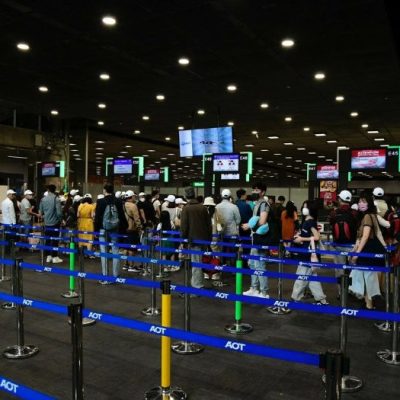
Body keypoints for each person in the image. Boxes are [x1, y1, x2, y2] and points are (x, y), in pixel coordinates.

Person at [349, 192, 386, 309]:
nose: (361, 204)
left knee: (368, 281)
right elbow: (379, 233)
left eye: (364, 201)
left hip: (368, 251)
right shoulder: (372, 215)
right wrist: (385, 248)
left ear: (369, 203)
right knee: (369, 280)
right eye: (359, 201)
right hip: (374, 250)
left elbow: (364, 237)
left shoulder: (366, 216)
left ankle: (373, 306)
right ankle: (369, 304)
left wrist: (356, 254)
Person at [291, 201, 329, 305]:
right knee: (312, 279)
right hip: (305, 252)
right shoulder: (306, 220)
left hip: (308, 254)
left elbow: (317, 237)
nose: (304, 208)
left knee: (301, 276)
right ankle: (321, 300)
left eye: (306, 207)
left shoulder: (310, 221)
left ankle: (295, 299)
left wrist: (301, 238)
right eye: (303, 206)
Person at [241, 182, 271, 298]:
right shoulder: (256, 203)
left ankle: (264, 292)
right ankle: (254, 288)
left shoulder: (264, 204)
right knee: (252, 264)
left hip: (261, 238)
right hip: (255, 237)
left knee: (260, 266)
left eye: (257, 190)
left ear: (263, 192)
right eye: (253, 190)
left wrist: (249, 225)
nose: (254, 192)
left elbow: (262, 221)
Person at [94, 183, 127, 283]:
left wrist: (96, 230)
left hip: (103, 229)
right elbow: (121, 215)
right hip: (115, 229)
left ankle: (105, 275)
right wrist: (124, 228)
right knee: (115, 250)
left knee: (103, 252)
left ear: (104, 190)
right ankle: (115, 275)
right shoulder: (118, 201)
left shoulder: (100, 201)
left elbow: (98, 217)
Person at [180, 186, 212, 289]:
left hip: (193, 240)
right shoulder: (203, 207)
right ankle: (197, 281)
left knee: (196, 263)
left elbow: (184, 226)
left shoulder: (186, 208)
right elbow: (209, 225)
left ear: (185, 196)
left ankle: (197, 285)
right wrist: (209, 240)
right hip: (204, 239)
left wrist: (182, 241)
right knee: (200, 262)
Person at [329, 190, 358, 295]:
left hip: (338, 245)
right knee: (353, 269)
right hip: (352, 246)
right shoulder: (354, 213)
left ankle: (341, 292)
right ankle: (352, 290)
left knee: (339, 270)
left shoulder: (334, 213)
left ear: (340, 200)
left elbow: (331, 223)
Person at [203, 196, 225, 285]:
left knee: (205, 255)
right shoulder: (216, 211)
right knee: (216, 255)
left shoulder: (203, 211)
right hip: (214, 236)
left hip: (204, 236)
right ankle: (215, 273)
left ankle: (206, 273)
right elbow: (221, 223)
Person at [39, 184, 63, 263]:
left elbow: (40, 212)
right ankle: (55, 257)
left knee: (48, 240)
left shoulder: (43, 199)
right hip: (55, 223)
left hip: (46, 223)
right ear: (54, 190)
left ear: (48, 190)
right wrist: (61, 220)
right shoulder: (56, 199)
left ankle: (48, 256)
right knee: (55, 240)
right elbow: (59, 213)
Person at [215, 189, 240, 265]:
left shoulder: (217, 207)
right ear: (230, 196)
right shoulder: (234, 207)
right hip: (232, 232)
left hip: (221, 232)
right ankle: (233, 267)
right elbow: (238, 220)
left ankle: (222, 265)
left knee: (222, 250)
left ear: (222, 196)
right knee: (233, 250)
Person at [123, 190, 143, 271]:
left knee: (125, 248)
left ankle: (125, 265)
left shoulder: (123, 205)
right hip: (132, 229)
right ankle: (131, 266)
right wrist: (140, 227)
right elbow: (136, 218)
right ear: (131, 197)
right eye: (134, 196)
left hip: (124, 229)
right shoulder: (133, 206)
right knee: (132, 248)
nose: (135, 197)